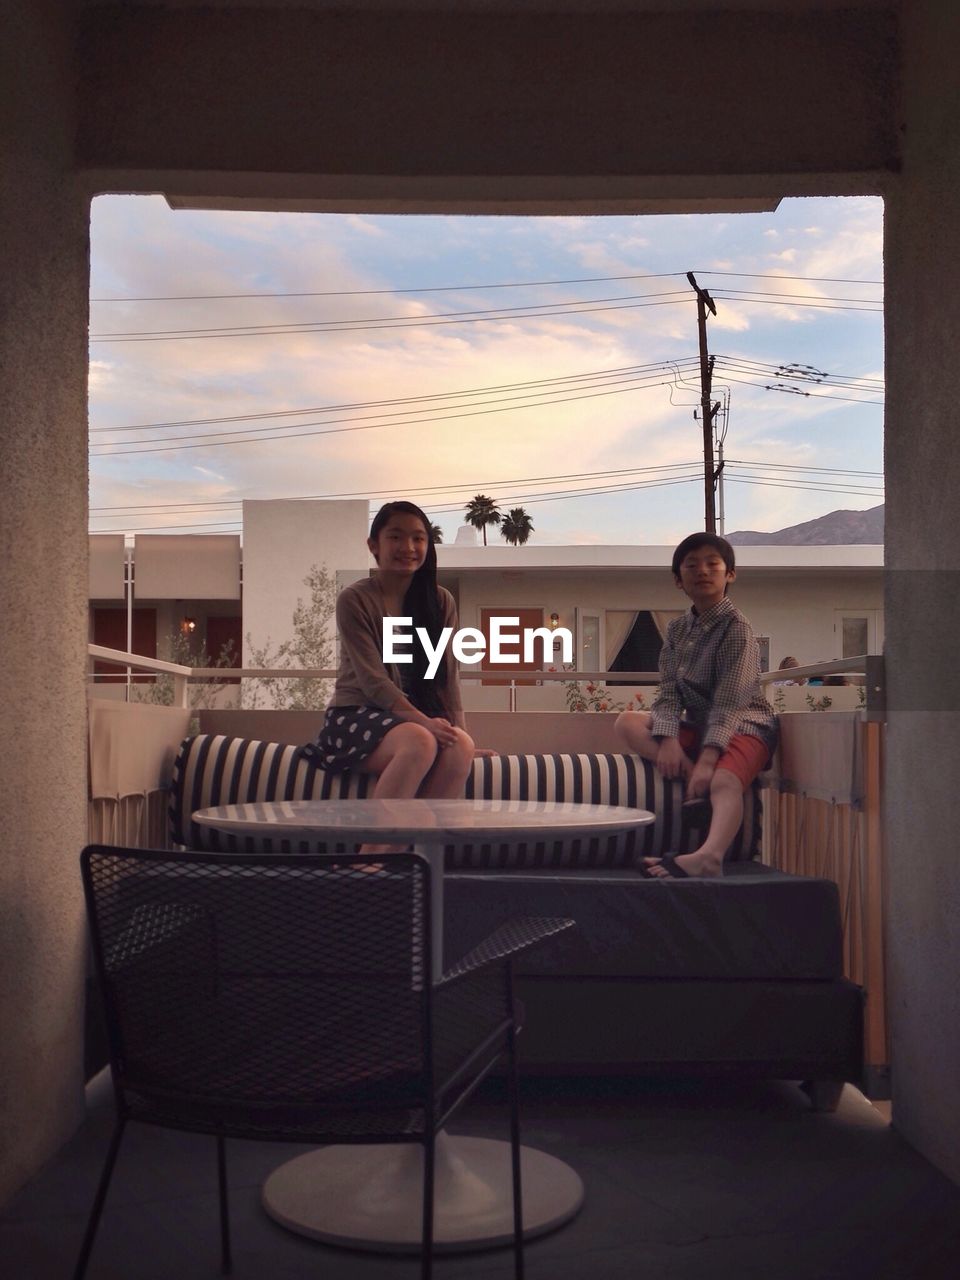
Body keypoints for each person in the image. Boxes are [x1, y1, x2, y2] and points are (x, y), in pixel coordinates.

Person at [304, 500, 484, 852]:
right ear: (374, 545)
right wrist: (426, 724)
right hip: (353, 717)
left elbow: (446, 677)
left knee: (460, 745)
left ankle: (408, 862)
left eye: (418, 538)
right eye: (396, 537)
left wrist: (459, 731)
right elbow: (374, 683)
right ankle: (366, 866)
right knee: (420, 740)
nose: (408, 547)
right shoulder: (355, 600)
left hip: (408, 723)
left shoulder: (440, 601)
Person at [613, 532, 778, 879]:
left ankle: (709, 856)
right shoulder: (676, 630)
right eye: (691, 565)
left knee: (724, 782)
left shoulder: (737, 628)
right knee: (626, 722)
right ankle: (693, 782)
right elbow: (669, 691)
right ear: (678, 580)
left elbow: (731, 700)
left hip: (746, 724)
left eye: (712, 564)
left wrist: (709, 759)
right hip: (701, 725)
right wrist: (669, 740)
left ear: (729, 574)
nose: (702, 571)